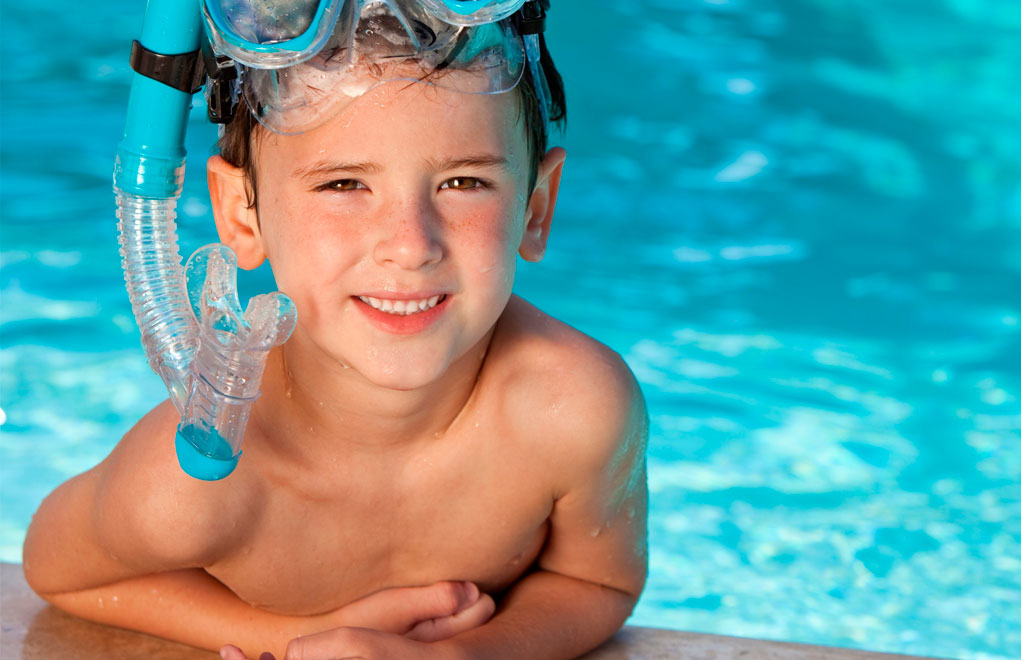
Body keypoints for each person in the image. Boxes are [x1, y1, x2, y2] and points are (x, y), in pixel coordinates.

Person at [22, 2, 648, 659]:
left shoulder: (574, 409)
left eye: (464, 182)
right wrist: (291, 642)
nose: (409, 247)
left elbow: (595, 579)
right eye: (343, 184)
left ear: (537, 207)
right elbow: (61, 568)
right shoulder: (205, 480)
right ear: (242, 215)